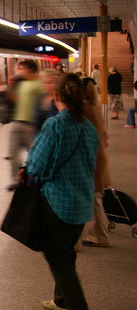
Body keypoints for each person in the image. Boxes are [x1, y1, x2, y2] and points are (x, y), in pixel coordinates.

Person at [24, 73, 99, 310]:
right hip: (82, 206)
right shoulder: (88, 126)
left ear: (56, 96)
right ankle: (62, 301)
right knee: (66, 254)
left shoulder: (55, 124)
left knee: (58, 259)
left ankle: (77, 305)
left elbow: (35, 166)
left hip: (58, 205)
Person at [81, 78, 111, 248]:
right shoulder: (95, 108)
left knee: (93, 199)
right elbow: (106, 137)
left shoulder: (83, 109)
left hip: (91, 159)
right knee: (94, 198)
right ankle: (98, 235)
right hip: (99, 157)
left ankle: (100, 236)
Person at [7, 59, 43, 191]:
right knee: (12, 153)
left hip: (31, 125)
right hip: (17, 123)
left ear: (29, 69)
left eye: (21, 69)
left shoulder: (39, 85)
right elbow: (14, 99)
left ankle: (34, 178)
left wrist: (37, 124)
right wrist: (11, 85)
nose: (19, 72)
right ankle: (17, 180)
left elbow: (42, 105)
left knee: (33, 154)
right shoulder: (22, 84)